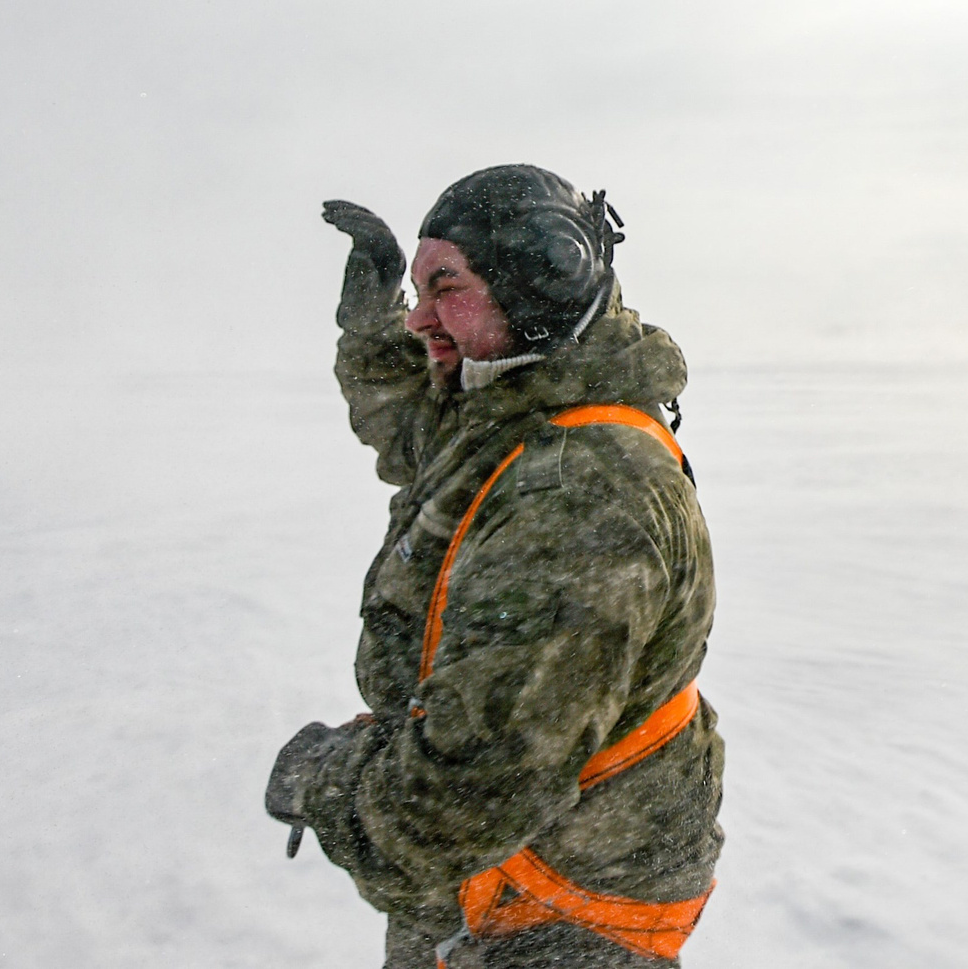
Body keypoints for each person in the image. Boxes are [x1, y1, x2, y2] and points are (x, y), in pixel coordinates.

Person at [265, 165, 722, 969]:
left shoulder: (578, 491)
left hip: (554, 928)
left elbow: (461, 802)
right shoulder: (514, 417)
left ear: (543, 278)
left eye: (445, 286)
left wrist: (323, 780)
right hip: (501, 896)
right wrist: (371, 328)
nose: (418, 317)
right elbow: (416, 429)